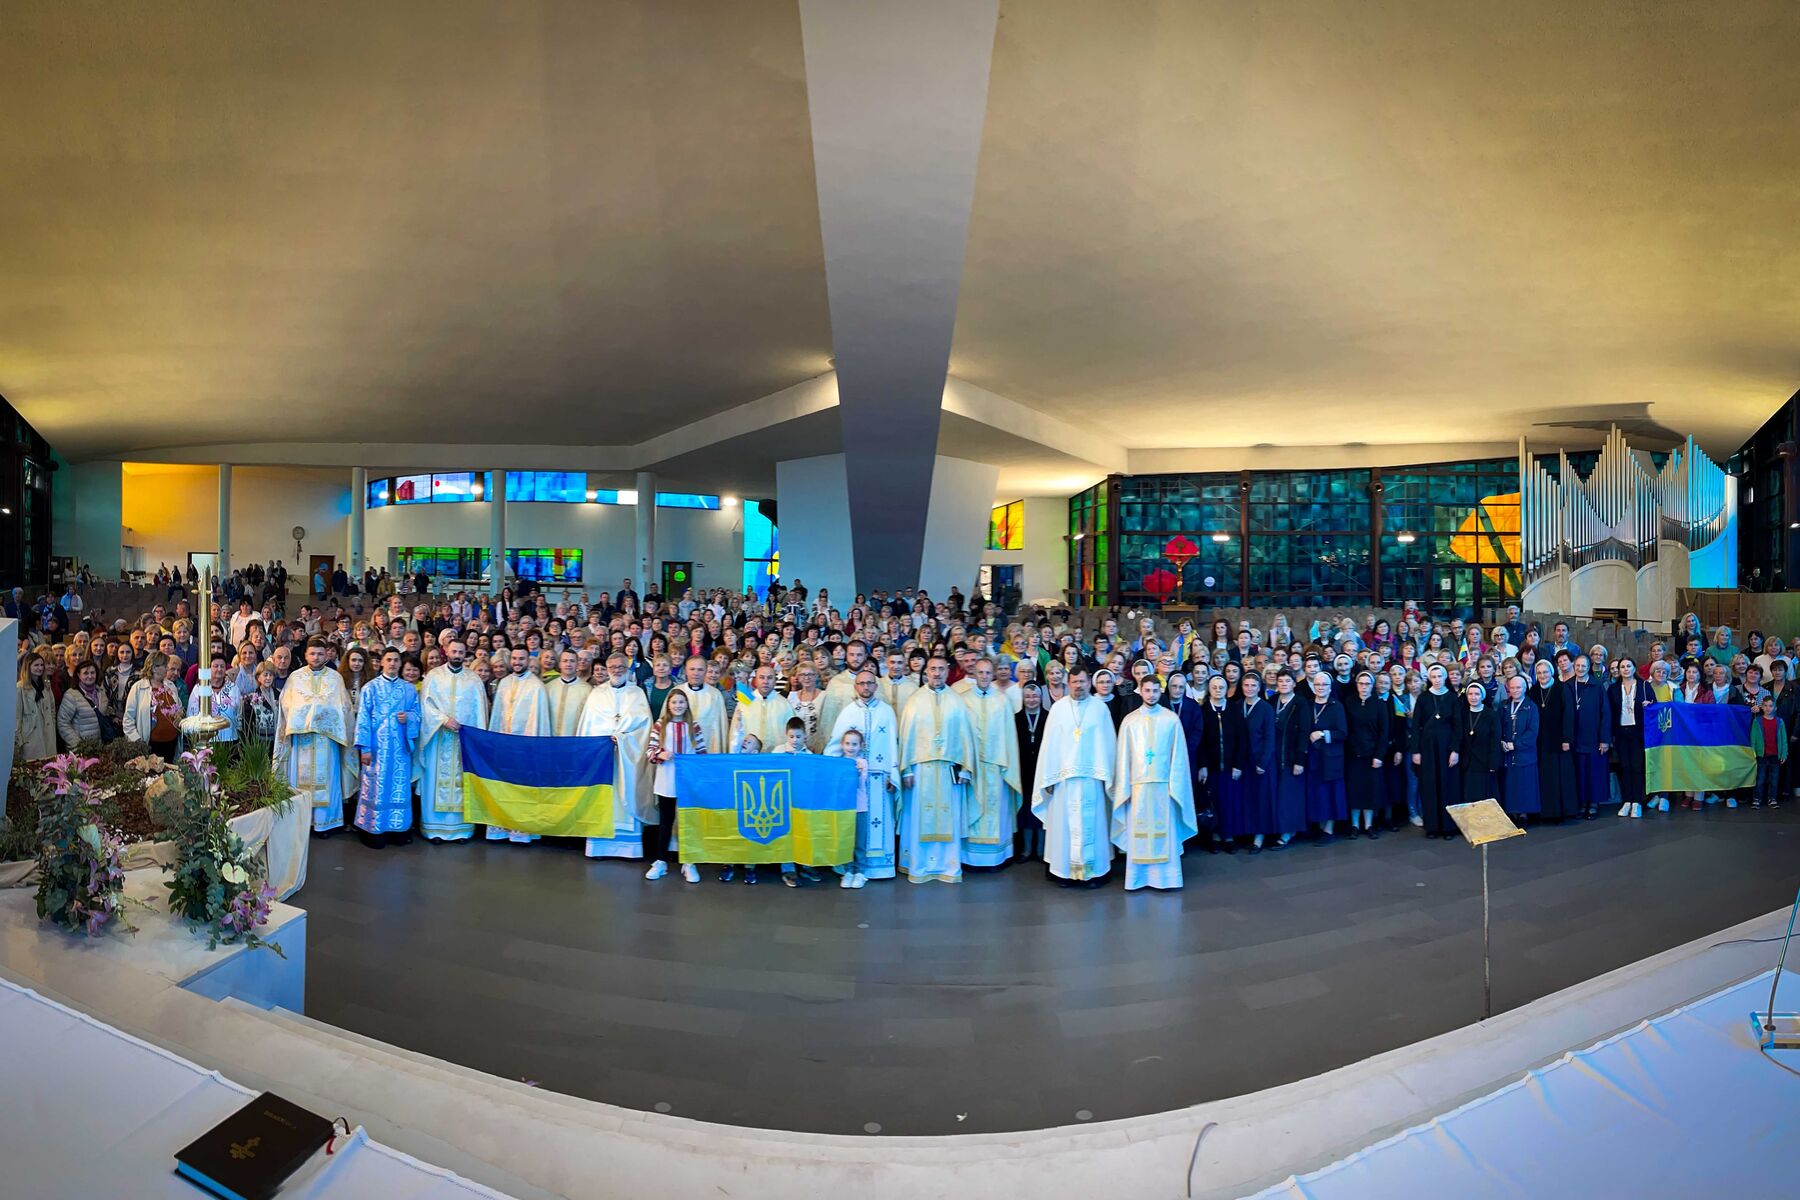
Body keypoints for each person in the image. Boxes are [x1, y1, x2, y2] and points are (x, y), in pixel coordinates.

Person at [1111, 674, 1198, 890]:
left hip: (1163, 786)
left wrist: (1174, 786)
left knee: (1164, 832)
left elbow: (1178, 757)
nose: (1151, 695)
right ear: (1140, 690)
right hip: (1137, 787)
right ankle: (1137, 879)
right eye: (1147, 690)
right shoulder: (1130, 721)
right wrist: (1124, 787)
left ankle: (1166, 879)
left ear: (1161, 692)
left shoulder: (1171, 720)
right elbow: (1123, 758)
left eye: (1155, 690)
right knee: (1138, 833)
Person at [1030, 666, 1116, 886]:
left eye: (1083, 682)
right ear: (1069, 683)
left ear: (1090, 683)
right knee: (1063, 827)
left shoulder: (1100, 709)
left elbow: (1108, 745)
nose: (1079, 686)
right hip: (1064, 780)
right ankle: (1063, 871)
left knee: (1094, 824)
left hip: (1092, 779)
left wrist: (1110, 777)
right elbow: (1049, 745)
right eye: (1075, 682)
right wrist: (1047, 778)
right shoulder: (1058, 709)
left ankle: (1095, 872)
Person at [897, 655, 978, 884]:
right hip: (921, 771)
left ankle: (948, 867)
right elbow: (906, 736)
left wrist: (965, 769)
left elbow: (965, 737)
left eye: (941, 669)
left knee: (948, 817)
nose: (937, 673)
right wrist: (906, 770)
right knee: (919, 818)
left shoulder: (956, 700)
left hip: (948, 772)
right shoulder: (915, 700)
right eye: (932, 669)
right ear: (926, 672)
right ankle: (919, 866)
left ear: (948, 671)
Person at [825, 666, 900, 886]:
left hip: (879, 780)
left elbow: (893, 744)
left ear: (876, 686)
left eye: (869, 683)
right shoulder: (848, 711)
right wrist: (833, 773)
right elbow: (834, 745)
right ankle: (850, 868)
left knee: (876, 824)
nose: (865, 687)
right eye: (861, 683)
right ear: (855, 687)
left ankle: (873, 869)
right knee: (853, 827)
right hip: (852, 782)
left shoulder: (886, 711)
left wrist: (892, 773)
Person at [275, 636, 356, 834]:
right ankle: (301, 823)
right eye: (312, 653)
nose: (316, 657)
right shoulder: (295, 678)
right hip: (301, 739)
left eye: (320, 653)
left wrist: (318, 715)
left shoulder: (335, 678)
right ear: (305, 655)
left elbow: (344, 707)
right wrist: (306, 714)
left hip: (326, 740)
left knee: (326, 780)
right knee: (299, 782)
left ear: (327, 655)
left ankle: (325, 824)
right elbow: (286, 704)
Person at [579, 652, 654, 861]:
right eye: (613, 667)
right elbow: (589, 726)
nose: (617, 670)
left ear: (628, 667)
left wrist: (621, 739)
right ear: (607, 668)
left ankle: (628, 850)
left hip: (627, 758)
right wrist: (602, 742)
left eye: (621, 666)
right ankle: (599, 848)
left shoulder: (637, 693)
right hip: (602, 759)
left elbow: (644, 728)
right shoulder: (596, 694)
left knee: (625, 795)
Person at [417, 638, 488, 841]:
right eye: (454, 651)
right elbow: (426, 705)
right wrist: (443, 720)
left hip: (463, 742)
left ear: (465, 654)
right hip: (437, 737)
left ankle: (462, 830)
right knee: (434, 780)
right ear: (446, 652)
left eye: (461, 652)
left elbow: (479, 712)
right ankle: (434, 829)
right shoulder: (434, 676)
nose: (457, 655)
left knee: (462, 781)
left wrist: (474, 737)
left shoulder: (473, 680)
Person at [354, 646, 421, 847]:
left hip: (400, 748)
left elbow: (418, 715)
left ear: (400, 664)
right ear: (382, 662)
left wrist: (409, 718)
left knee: (398, 787)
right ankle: (373, 831)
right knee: (375, 786)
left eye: (396, 660)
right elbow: (363, 719)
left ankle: (398, 830)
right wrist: (364, 748)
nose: (392, 663)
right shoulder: (370, 688)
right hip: (376, 749)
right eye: (389, 659)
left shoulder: (409, 689)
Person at [959, 658, 1022, 869]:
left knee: (997, 811)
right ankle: (970, 859)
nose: (984, 676)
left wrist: (1008, 764)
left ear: (992, 674)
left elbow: (1009, 736)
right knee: (972, 809)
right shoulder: (963, 700)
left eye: (988, 673)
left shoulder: (1002, 700)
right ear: (974, 674)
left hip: (996, 767)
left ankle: (997, 858)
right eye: (980, 672)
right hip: (973, 766)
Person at [487, 646, 551, 843]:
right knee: (503, 787)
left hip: (525, 748)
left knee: (523, 788)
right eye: (514, 658)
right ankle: (501, 827)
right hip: (504, 747)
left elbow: (538, 720)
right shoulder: (504, 683)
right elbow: (497, 714)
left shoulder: (536, 686)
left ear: (527, 660)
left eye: (521, 659)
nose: (517, 662)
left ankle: (522, 830)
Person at [645, 687, 705, 881]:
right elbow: (650, 751)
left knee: (688, 821)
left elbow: (702, 753)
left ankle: (688, 862)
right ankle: (661, 861)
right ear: (668, 705)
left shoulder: (693, 726)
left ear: (686, 704)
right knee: (666, 821)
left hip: (688, 781)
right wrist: (660, 754)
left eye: (681, 702)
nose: (678, 705)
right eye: (674, 702)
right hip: (666, 779)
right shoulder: (660, 725)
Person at [1411, 662, 1461, 839]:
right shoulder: (1423, 698)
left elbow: (1458, 726)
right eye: (1434, 677)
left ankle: (1448, 827)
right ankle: (1432, 826)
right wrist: (1415, 751)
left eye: (1440, 676)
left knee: (1448, 786)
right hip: (1427, 747)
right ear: (1429, 678)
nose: (1437, 680)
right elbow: (1416, 725)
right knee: (1429, 785)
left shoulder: (1453, 698)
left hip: (1447, 746)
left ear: (1445, 677)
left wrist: (1455, 750)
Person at [1528, 658, 1577, 823]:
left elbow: (1568, 715)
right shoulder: (1533, 691)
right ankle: (1546, 812)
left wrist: (1566, 739)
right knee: (1545, 777)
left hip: (1559, 740)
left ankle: (1562, 811)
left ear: (1552, 672)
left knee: (1560, 776)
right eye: (1539, 673)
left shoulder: (1562, 688)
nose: (1542, 675)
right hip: (1541, 741)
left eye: (1545, 672)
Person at [1342, 671, 1389, 839]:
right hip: (1353, 754)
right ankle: (1355, 825)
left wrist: (1379, 755)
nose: (1364, 687)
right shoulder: (1349, 702)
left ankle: (1368, 825)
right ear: (1356, 685)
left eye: (1367, 684)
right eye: (1361, 683)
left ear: (1372, 686)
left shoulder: (1379, 704)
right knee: (1354, 790)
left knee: (1370, 790)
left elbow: (1384, 732)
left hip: (1372, 754)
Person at [1302, 670, 1348, 843]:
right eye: (1318, 684)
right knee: (1316, 793)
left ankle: (1328, 830)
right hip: (1312, 756)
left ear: (1330, 688)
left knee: (1330, 794)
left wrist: (1322, 733)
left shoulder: (1337, 706)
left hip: (1331, 757)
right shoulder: (1307, 705)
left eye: (1324, 685)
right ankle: (1318, 826)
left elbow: (1343, 733)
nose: (1321, 688)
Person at [1568, 655, 1612, 820]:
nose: (1580, 668)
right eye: (1577, 665)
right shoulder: (1568, 685)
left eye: (1583, 666)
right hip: (1575, 738)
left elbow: (1605, 714)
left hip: (1594, 738)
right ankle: (1581, 803)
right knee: (1579, 772)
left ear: (1588, 667)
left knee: (1594, 772)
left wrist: (1605, 739)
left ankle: (1593, 803)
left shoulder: (1597, 685)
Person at [1608, 656, 1649, 819]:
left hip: (1638, 732)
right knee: (1624, 767)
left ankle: (1637, 802)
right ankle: (1626, 801)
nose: (1625, 669)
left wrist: (1649, 705)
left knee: (1636, 767)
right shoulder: (1613, 688)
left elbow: (1654, 707)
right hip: (1621, 732)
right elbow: (1609, 712)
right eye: (1622, 667)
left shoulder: (1644, 686)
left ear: (1634, 668)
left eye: (1628, 666)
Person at [1014, 681, 1048, 860]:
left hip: (1042, 770)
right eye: (1027, 696)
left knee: (1041, 809)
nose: (1031, 700)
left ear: (1041, 697)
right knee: (1025, 810)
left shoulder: (1049, 717)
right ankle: (1026, 850)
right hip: (1023, 771)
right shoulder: (1016, 718)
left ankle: (1042, 850)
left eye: (1035, 696)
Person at [1499, 673, 1539, 820]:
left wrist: (1515, 744)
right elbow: (1498, 726)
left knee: (1525, 784)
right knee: (1511, 784)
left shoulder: (1531, 706)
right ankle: (1512, 812)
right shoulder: (1504, 706)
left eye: (1518, 687)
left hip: (1525, 753)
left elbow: (1532, 731)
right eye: (1512, 688)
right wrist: (1501, 742)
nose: (1515, 690)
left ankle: (1523, 814)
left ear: (1524, 688)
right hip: (1507, 753)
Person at [1458, 680, 1502, 807]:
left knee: (1486, 797)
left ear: (1482, 696)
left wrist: (1493, 763)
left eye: (1477, 694)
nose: (1473, 697)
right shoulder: (1463, 714)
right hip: (1468, 763)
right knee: (1469, 797)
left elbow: (1495, 740)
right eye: (1470, 694)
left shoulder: (1491, 715)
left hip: (1485, 763)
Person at [16, 655, 56, 760]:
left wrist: (52, 725)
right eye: (36, 665)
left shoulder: (46, 685)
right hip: (30, 737)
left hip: (48, 734)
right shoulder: (20, 688)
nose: (40, 668)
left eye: (42, 665)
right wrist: (20, 741)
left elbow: (52, 709)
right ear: (28, 667)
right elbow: (17, 716)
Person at [545, 648, 591, 736]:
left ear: (577, 664)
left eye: (572, 661)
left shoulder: (587, 690)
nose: (568, 664)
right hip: (550, 738)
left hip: (574, 740)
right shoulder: (548, 688)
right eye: (565, 661)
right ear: (559, 664)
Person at [1752, 693, 1787, 809]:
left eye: (1770, 706)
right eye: (1765, 705)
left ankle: (1772, 798)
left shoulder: (1779, 722)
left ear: (1775, 708)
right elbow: (1753, 738)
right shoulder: (1757, 721)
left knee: (1774, 779)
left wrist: (1784, 753)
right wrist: (1753, 751)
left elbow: (1783, 739)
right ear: (1762, 707)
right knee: (1760, 779)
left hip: (1775, 756)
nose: (1768, 708)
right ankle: (1757, 799)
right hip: (1762, 755)